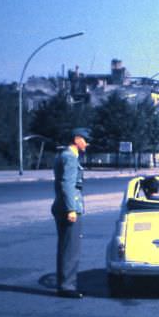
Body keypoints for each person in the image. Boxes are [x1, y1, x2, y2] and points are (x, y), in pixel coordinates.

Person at [51, 128, 89, 298]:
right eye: (85, 139)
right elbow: (67, 184)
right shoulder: (70, 157)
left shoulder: (63, 155)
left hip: (62, 205)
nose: (87, 143)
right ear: (76, 139)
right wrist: (71, 209)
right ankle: (67, 286)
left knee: (66, 247)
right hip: (69, 207)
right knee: (71, 249)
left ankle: (65, 284)